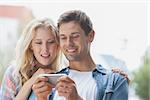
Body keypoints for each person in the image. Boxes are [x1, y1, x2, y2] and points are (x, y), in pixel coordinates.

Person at [50, 10, 129, 100]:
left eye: (75, 36)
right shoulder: (52, 81)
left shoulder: (115, 81)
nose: (69, 43)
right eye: (63, 37)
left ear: (91, 36)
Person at [0, 18, 60, 100]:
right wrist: (32, 80)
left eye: (50, 42)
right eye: (38, 42)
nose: (45, 49)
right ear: (31, 45)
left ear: (57, 44)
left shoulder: (64, 74)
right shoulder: (14, 74)